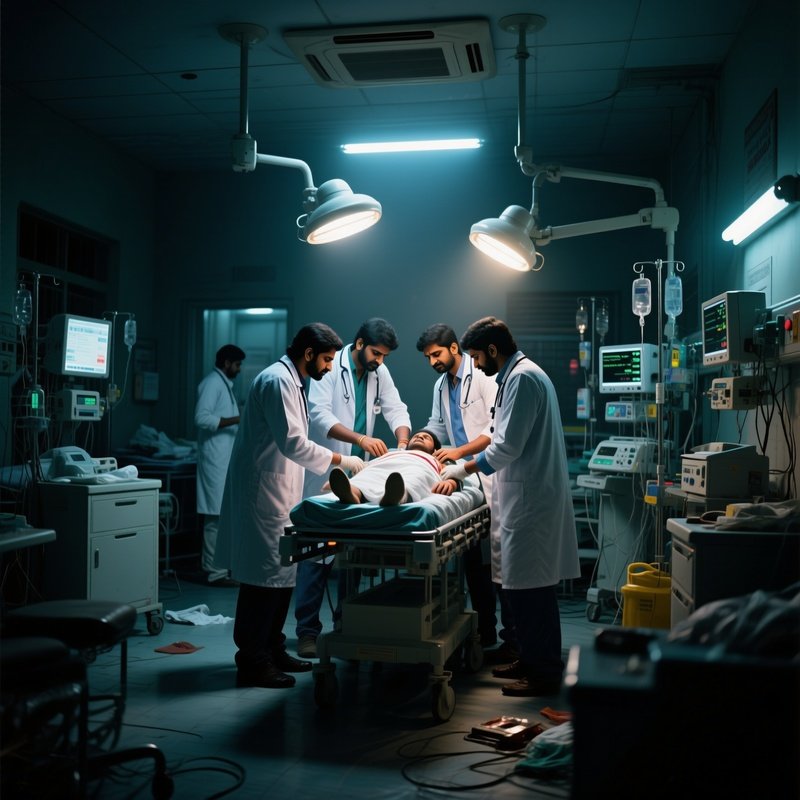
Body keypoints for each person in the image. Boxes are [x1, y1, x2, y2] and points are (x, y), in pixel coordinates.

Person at [214, 324, 365, 689]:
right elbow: (295, 443)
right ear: (309, 354)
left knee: (281, 576)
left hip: (280, 493)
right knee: (261, 582)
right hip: (263, 496)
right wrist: (340, 461)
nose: (330, 367)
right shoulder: (277, 380)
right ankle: (252, 659)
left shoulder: (295, 380)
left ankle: (273, 648)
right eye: (327, 359)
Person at [440, 317, 580, 697]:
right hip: (520, 497)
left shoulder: (523, 378)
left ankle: (544, 673)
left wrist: (463, 468)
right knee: (520, 590)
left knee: (532, 592)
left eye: (476, 356)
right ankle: (529, 658)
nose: (476, 365)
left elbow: (505, 447)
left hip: (531, 502)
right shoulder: (515, 377)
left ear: (491, 350)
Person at [294, 317, 412, 658]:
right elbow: (318, 415)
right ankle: (307, 631)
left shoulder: (378, 372)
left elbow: (395, 407)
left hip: (362, 473)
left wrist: (403, 442)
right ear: (359, 344)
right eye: (376, 353)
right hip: (328, 470)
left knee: (352, 555)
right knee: (317, 556)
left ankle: (347, 622)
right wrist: (360, 438)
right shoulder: (331, 366)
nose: (380, 361)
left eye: (385, 356)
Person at [416, 323, 511, 652]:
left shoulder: (483, 374)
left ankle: (508, 637)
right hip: (466, 478)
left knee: (497, 565)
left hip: (489, 474)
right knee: (475, 564)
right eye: (428, 357)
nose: (433, 362)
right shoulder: (441, 385)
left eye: (437, 354)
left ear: (454, 348)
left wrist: (458, 452)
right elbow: (438, 424)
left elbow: (494, 427)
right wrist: (423, 439)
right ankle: (486, 631)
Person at [194, 343, 245, 584]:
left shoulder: (222, 384)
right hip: (214, 460)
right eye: (237, 364)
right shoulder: (213, 384)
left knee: (221, 515)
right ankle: (214, 572)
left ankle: (220, 570)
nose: (239, 369)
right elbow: (201, 418)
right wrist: (238, 418)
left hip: (223, 460)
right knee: (214, 517)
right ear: (226, 363)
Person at [327, 429, 460, 505]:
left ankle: (395, 497)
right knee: (367, 477)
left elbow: (455, 473)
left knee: (413, 479)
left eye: (426, 437)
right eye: (417, 436)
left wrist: (451, 482)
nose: (420, 437)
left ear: (435, 450)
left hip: (418, 468)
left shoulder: (437, 459)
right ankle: (351, 493)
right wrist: (349, 477)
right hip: (383, 468)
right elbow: (368, 466)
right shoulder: (394, 453)